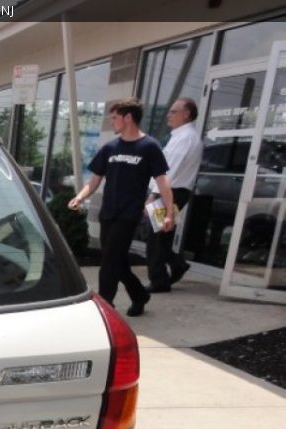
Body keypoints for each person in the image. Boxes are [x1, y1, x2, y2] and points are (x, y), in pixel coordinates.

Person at [69, 98, 174, 317]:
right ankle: (139, 295)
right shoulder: (110, 147)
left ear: (128, 118)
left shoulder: (149, 147)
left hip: (129, 214)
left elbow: (163, 182)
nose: (112, 122)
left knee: (109, 262)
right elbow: (95, 180)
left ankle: (105, 308)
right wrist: (79, 197)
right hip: (108, 212)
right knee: (116, 260)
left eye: (115, 117)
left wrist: (168, 214)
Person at [145, 97, 203, 292]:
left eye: (173, 112)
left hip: (169, 192)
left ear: (186, 114)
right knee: (162, 236)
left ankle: (159, 280)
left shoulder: (186, 137)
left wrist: (154, 194)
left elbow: (171, 169)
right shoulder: (181, 136)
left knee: (155, 237)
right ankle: (177, 264)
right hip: (172, 192)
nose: (168, 115)